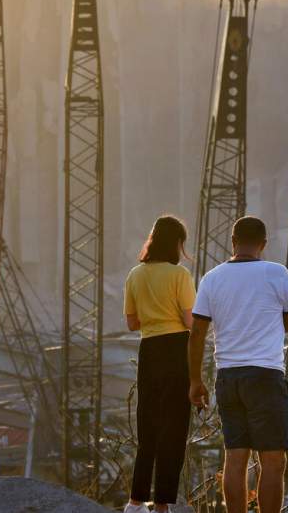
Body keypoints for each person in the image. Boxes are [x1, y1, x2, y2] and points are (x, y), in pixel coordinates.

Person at [188, 216, 288, 513]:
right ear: (263, 244)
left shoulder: (211, 278)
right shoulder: (276, 273)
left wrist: (195, 381)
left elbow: (197, 332)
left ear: (233, 242)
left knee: (235, 459)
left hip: (228, 378)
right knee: (273, 461)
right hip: (265, 376)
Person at [124, 215, 197, 513]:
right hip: (177, 349)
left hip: (148, 349)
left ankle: (135, 502)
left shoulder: (135, 275)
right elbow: (191, 321)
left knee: (148, 427)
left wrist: (152, 315)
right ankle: (163, 506)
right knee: (174, 428)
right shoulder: (179, 276)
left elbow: (131, 322)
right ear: (177, 243)